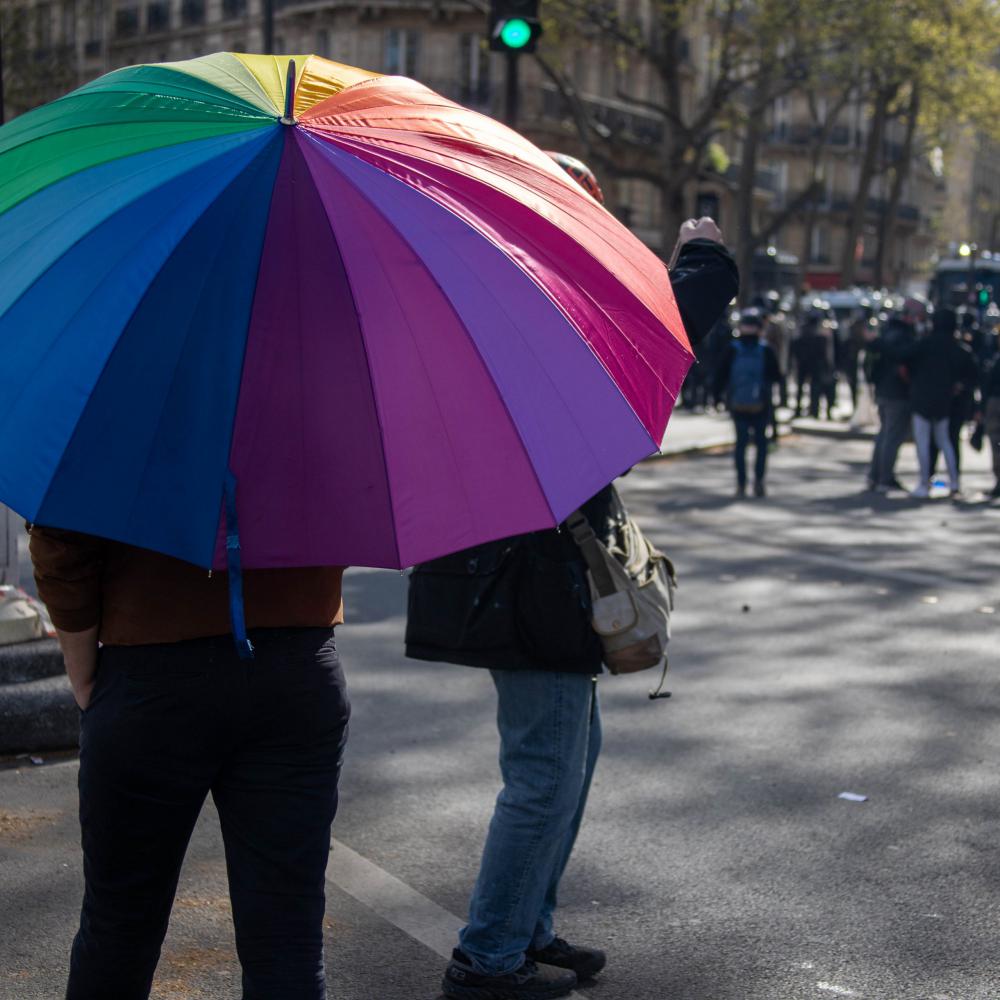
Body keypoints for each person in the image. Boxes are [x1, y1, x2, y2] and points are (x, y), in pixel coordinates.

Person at [405, 210, 738, 1000]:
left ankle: (524, 929)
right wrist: (701, 260)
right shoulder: (508, 317)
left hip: (531, 585)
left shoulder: (480, 320)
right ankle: (488, 957)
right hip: (529, 591)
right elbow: (637, 337)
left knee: (566, 768)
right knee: (544, 778)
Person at [28, 529, 349, 999]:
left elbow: (61, 543)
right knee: (287, 936)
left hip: (151, 665)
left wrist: (82, 675)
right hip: (296, 663)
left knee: (120, 926)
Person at [901, 309, 978, 498]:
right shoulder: (958, 349)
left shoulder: (924, 344)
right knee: (946, 442)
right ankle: (954, 482)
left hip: (922, 400)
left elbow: (903, 358)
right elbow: (972, 374)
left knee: (924, 443)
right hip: (945, 401)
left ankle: (924, 483)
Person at [714, 308, 783, 498]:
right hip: (761, 404)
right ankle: (759, 482)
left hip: (737, 404)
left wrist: (717, 398)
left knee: (741, 445)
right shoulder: (766, 349)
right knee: (761, 444)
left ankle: (741, 483)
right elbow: (777, 376)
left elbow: (719, 375)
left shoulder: (732, 349)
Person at [866, 309, 918, 492]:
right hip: (897, 393)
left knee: (884, 434)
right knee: (892, 436)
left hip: (883, 391)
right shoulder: (904, 339)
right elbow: (904, 362)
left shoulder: (885, 336)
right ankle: (885, 478)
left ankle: (875, 475)